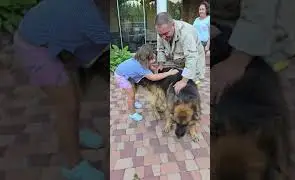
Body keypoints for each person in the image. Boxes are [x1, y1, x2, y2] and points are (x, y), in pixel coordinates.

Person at [12, 0, 109, 179]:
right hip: (34, 45)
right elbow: (100, 65)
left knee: (75, 93)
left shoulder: (95, 13)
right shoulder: (90, 16)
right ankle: (73, 166)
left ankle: (74, 134)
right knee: (66, 104)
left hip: (55, 40)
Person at [210, 0, 295, 103]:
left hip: (269, 37)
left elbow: (260, 14)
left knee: (253, 100)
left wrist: (236, 62)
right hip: (232, 27)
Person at [114, 44, 179, 121]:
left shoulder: (139, 60)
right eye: (151, 59)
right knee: (130, 95)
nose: (154, 60)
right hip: (121, 77)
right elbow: (153, 78)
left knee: (133, 90)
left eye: (153, 57)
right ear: (144, 59)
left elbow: (148, 66)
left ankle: (134, 102)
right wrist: (169, 73)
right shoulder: (140, 68)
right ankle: (132, 113)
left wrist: (152, 67)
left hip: (126, 74)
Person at [155, 12, 206, 94]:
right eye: (160, 35)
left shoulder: (186, 33)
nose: (163, 37)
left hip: (193, 62)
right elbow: (160, 49)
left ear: (173, 25)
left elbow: (191, 58)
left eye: (166, 34)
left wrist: (184, 81)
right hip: (178, 61)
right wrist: (161, 64)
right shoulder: (162, 31)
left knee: (191, 87)